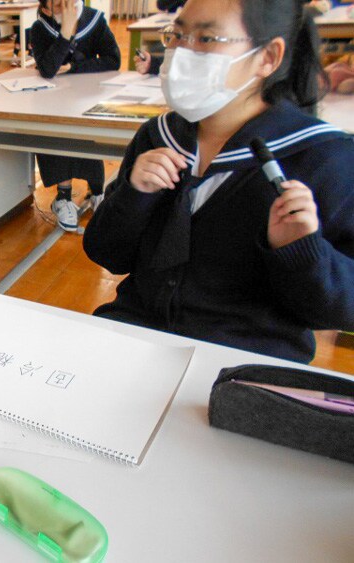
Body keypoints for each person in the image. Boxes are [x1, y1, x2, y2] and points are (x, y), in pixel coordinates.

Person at [83, 0, 354, 363]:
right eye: (177, 35)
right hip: (135, 335)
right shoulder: (158, 136)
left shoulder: (322, 156)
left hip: (244, 363)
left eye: (207, 38)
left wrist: (303, 251)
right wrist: (134, 195)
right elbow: (105, 253)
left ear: (268, 57)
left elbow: (340, 309)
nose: (182, 52)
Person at [30, 0, 120, 231]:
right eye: (57, 6)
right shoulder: (40, 28)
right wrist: (66, 32)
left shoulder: (94, 20)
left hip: (88, 96)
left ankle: (98, 192)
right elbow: (48, 69)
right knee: (56, 135)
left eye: (67, 3)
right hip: (54, 101)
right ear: (45, 9)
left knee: (87, 140)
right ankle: (63, 197)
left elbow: (113, 60)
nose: (66, 9)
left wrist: (74, 68)